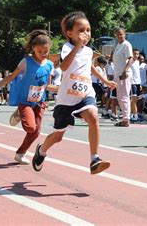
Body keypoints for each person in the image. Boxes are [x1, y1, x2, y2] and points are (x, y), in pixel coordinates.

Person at [32, 11, 115, 175]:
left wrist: (104, 81)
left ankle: (94, 159)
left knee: (93, 116)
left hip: (85, 93)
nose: (86, 34)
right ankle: (41, 150)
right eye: (81, 30)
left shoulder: (89, 51)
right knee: (58, 136)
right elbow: (63, 67)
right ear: (70, 33)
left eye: (88, 30)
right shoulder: (67, 47)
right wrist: (77, 46)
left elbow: (89, 66)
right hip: (66, 99)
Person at [0, 30, 56, 165]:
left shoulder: (49, 65)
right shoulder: (26, 61)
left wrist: (63, 88)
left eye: (46, 51)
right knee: (31, 128)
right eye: (40, 51)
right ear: (33, 48)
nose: (43, 54)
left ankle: (20, 154)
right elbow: (11, 77)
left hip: (39, 102)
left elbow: (48, 86)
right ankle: (19, 112)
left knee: (36, 132)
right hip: (25, 101)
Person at [112, 28, 134, 127]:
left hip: (124, 74)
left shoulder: (126, 44)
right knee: (120, 97)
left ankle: (126, 119)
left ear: (125, 34)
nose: (119, 36)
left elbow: (131, 58)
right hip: (118, 74)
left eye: (121, 34)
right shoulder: (118, 45)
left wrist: (125, 70)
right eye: (118, 35)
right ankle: (125, 117)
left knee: (124, 96)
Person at [130, 48, 142, 122]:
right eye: (135, 54)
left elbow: (137, 73)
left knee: (135, 100)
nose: (136, 55)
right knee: (133, 99)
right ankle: (135, 116)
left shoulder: (137, 62)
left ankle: (132, 114)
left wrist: (140, 84)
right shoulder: (129, 62)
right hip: (132, 83)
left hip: (137, 82)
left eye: (137, 54)